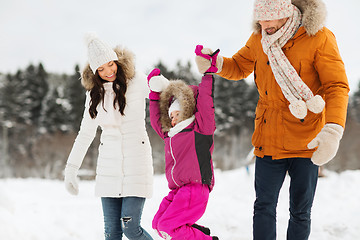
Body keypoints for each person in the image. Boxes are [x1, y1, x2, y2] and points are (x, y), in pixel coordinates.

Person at [195, 0, 349, 239]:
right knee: (263, 207)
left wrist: (333, 129)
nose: (263, 23)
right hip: (269, 140)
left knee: (300, 211)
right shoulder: (259, 37)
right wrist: (216, 63)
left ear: (286, 14)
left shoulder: (318, 37)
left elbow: (336, 86)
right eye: (260, 18)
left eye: (269, 18)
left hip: (306, 141)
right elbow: (239, 66)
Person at [64, 33, 154, 240]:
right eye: (101, 69)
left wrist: (162, 84)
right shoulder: (94, 94)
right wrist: (71, 169)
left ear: (116, 60)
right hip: (108, 168)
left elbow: (164, 95)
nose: (108, 72)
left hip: (136, 164)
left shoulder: (137, 80)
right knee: (111, 233)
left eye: (110, 64)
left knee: (131, 228)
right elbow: (85, 134)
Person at [146, 48, 219, 240]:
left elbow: (205, 101)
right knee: (158, 224)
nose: (173, 119)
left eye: (177, 114)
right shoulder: (171, 135)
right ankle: (199, 233)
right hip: (178, 190)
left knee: (168, 227)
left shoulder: (200, 128)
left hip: (195, 188)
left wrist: (208, 74)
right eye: (171, 116)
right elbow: (156, 121)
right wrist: (154, 96)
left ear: (187, 111)